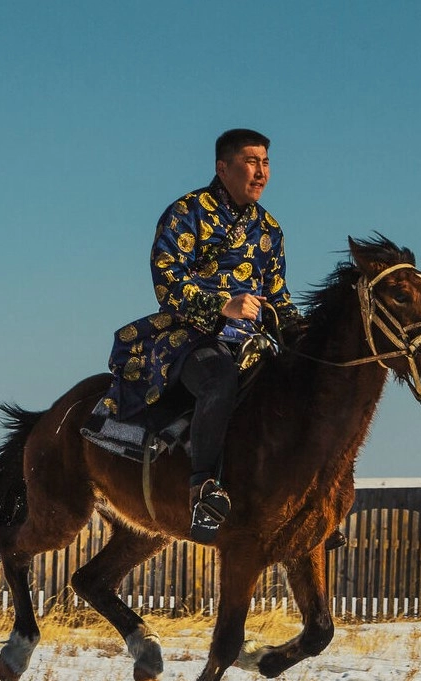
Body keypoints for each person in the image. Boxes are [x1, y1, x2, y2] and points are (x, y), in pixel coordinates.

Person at [99, 128, 302, 538]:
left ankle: (300, 495)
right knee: (218, 380)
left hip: (252, 343)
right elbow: (167, 281)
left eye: (265, 163)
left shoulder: (271, 230)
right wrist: (221, 307)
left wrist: (304, 331)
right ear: (222, 168)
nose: (261, 172)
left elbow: (278, 297)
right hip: (187, 338)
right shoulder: (186, 212)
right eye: (251, 162)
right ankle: (202, 491)